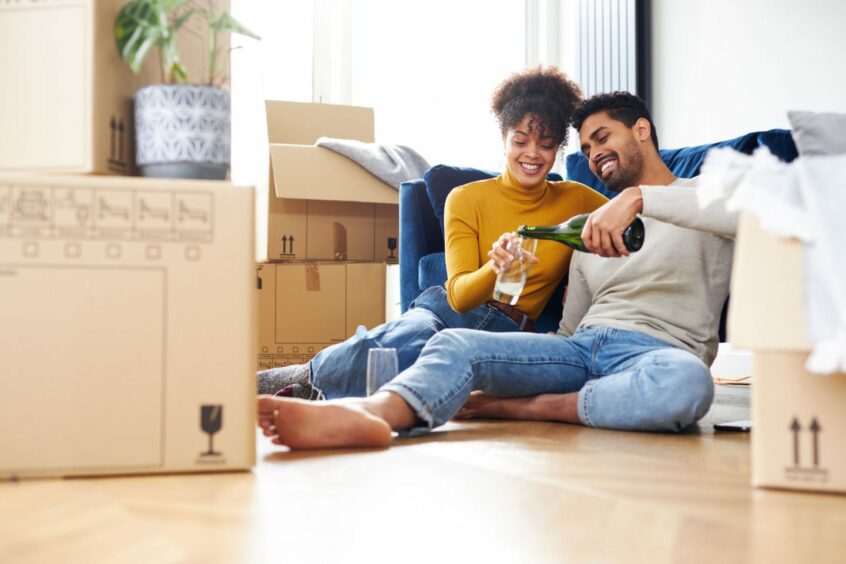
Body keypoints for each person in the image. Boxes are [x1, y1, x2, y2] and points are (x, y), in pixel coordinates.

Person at [257, 90, 734, 450]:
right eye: (586, 148)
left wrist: (636, 198)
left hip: (657, 353)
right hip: (581, 349)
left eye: (602, 138)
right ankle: (372, 413)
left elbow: (746, 210)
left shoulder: (711, 196)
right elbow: (570, 329)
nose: (593, 155)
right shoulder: (587, 227)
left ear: (643, 131)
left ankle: (519, 409)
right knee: (451, 342)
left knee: (689, 386)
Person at [257, 66, 607, 400]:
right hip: (448, 309)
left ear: (558, 149)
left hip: (508, 329)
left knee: (411, 345)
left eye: (546, 145)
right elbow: (459, 297)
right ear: (504, 138)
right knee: (409, 337)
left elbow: (635, 218)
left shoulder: (576, 200)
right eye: (520, 140)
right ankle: (301, 383)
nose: (532, 154)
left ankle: (302, 385)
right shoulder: (466, 198)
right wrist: (494, 269)